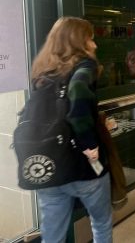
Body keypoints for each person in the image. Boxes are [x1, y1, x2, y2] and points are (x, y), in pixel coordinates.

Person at [33, 17, 112, 242]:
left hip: (50, 165)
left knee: (53, 235)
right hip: (84, 167)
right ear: (78, 42)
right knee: (101, 223)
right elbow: (77, 91)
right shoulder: (85, 64)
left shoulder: (43, 71)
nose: (95, 45)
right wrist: (90, 145)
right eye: (90, 39)